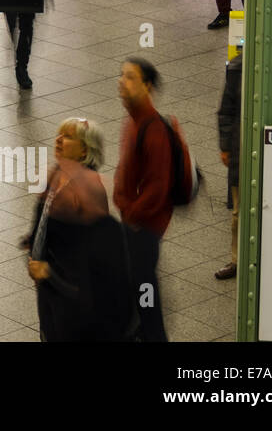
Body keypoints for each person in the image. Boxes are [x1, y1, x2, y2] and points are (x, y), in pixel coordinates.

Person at [24, 118, 137, 341]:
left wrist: (50, 274)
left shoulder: (87, 191)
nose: (58, 140)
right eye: (59, 134)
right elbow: (43, 223)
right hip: (52, 294)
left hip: (74, 305)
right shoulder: (56, 177)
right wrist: (33, 244)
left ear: (84, 149)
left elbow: (87, 267)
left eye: (67, 137)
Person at [113, 58, 177, 342]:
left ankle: (153, 335)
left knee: (144, 286)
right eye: (121, 75)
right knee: (138, 282)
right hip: (134, 221)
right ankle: (143, 331)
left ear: (147, 86)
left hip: (144, 226)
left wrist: (133, 214)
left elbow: (158, 187)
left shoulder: (153, 129)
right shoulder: (132, 121)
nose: (121, 81)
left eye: (130, 77)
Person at [215, 46, 243, 280]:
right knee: (239, 213)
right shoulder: (237, 68)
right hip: (240, 150)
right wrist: (225, 145)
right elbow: (226, 111)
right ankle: (237, 260)